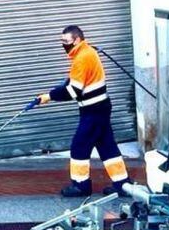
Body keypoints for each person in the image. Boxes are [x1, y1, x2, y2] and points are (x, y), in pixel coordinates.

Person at [37, 25, 130, 197]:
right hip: (101, 107)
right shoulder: (87, 52)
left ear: (77, 40)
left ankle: (81, 186)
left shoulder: (81, 58)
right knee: (107, 147)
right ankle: (122, 184)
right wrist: (52, 93)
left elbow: (73, 91)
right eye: (61, 41)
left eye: (66, 41)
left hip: (93, 111)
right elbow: (73, 82)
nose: (63, 45)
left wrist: (49, 96)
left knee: (79, 146)